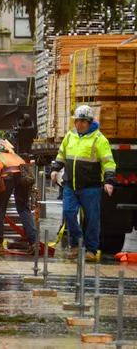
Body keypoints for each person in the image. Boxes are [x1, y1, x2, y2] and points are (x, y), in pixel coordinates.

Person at [49, 105, 117, 260]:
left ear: (87, 122)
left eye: (79, 121)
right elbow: (62, 155)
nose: (76, 124)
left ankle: (91, 250)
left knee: (92, 218)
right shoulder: (70, 136)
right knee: (68, 213)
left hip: (90, 187)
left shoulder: (99, 140)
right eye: (76, 121)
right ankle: (76, 245)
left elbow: (108, 163)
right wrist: (55, 169)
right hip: (70, 186)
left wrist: (109, 181)